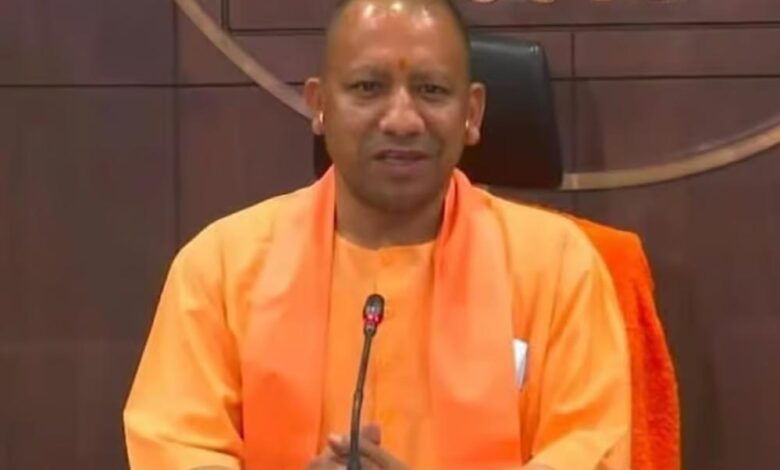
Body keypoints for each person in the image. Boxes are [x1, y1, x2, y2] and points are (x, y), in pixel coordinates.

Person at [123, 0, 631, 468]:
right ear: (319, 105)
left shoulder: (556, 266)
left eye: (431, 91)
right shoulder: (221, 267)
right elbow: (175, 447)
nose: (402, 120)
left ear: (472, 113)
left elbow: (590, 450)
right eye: (369, 87)